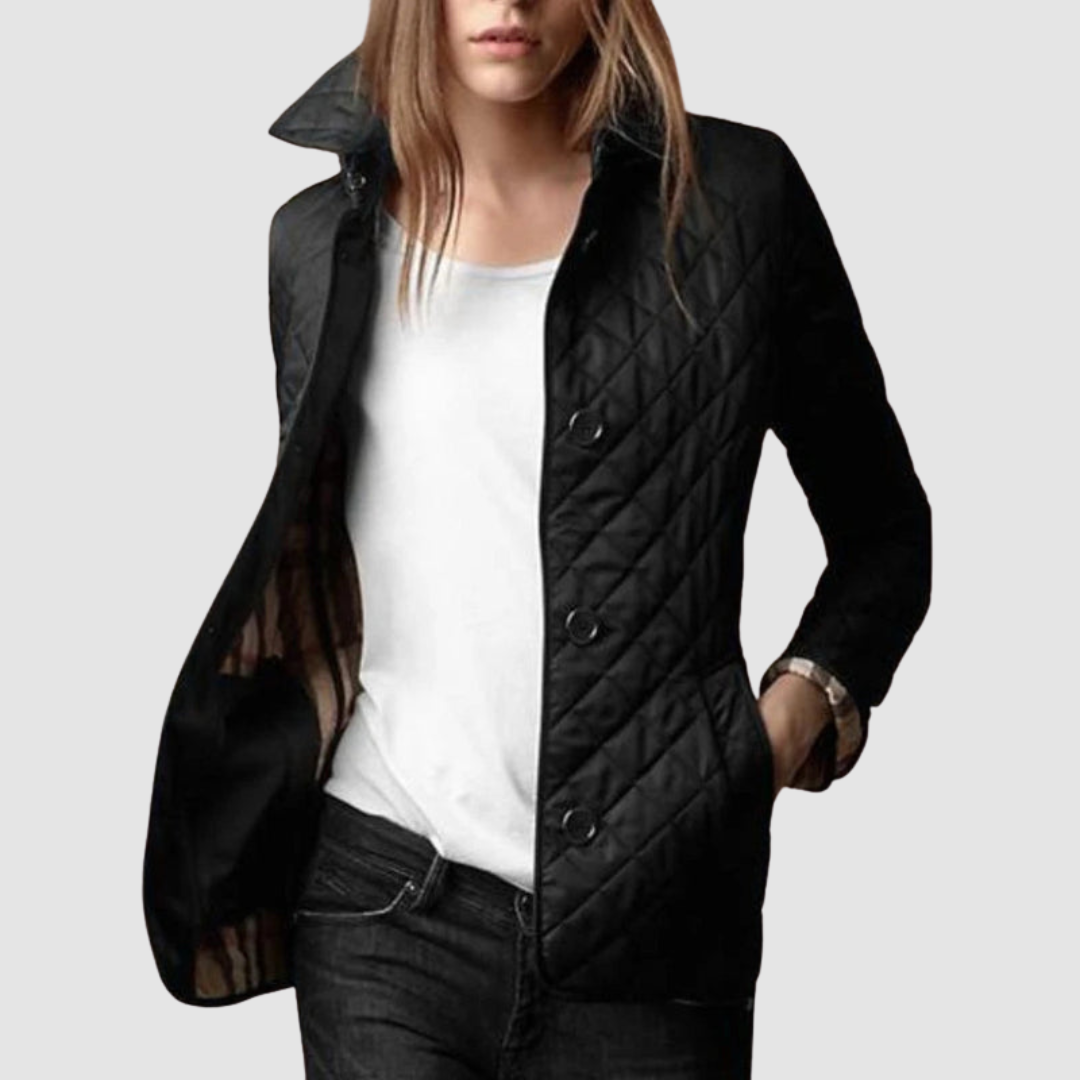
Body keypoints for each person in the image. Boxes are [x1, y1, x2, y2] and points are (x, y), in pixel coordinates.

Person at [142, 1, 933, 1077]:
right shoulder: (316, 244)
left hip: (658, 918)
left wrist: (784, 730)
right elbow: (327, 563)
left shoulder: (737, 201)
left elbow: (884, 525)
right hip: (381, 899)